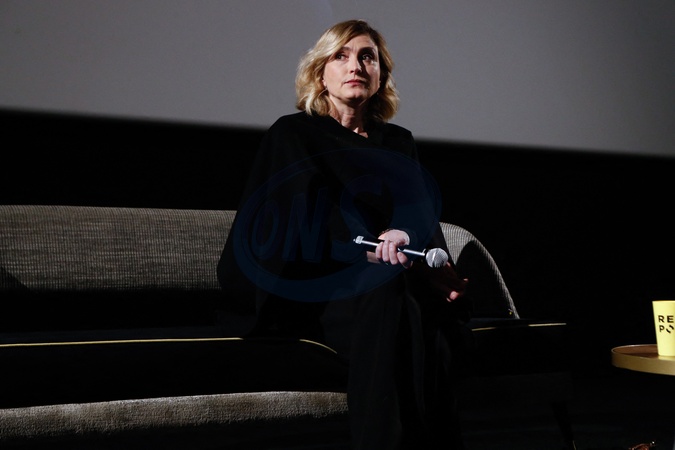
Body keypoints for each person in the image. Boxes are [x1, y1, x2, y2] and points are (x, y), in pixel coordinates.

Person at [218, 19, 469, 449]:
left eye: (367, 57)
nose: (355, 66)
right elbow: (299, 214)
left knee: (421, 310)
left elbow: (417, 209)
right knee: (391, 296)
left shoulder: (398, 142)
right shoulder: (295, 133)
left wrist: (407, 238)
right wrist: (365, 249)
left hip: (390, 282)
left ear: (380, 76)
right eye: (341, 56)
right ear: (321, 74)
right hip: (318, 285)